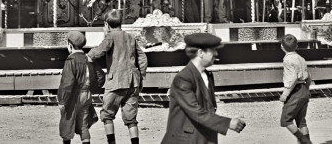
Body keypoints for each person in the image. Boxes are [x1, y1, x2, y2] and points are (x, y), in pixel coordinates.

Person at [161, 32, 245, 143]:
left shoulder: (208, 75)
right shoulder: (183, 78)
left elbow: (208, 109)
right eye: (213, 50)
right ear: (200, 53)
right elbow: (195, 111)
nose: (216, 54)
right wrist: (227, 123)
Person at [87, 9, 148, 144]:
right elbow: (142, 57)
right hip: (133, 82)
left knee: (107, 115)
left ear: (107, 24)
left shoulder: (110, 37)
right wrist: (141, 76)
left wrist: (87, 56)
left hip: (116, 82)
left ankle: (112, 142)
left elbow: (99, 51)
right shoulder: (130, 37)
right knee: (131, 119)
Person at [59, 31, 97, 144]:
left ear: (70, 45)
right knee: (83, 125)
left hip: (73, 97)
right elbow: (100, 76)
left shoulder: (70, 60)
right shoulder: (88, 59)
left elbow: (67, 83)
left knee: (67, 124)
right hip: (87, 95)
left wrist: (62, 100)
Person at [279, 34, 313, 144]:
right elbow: (309, 76)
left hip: (295, 91)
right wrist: (307, 90)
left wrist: (285, 94)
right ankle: (306, 140)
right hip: (304, 90)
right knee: (301, 121)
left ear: (282, 47)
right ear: (296, 46)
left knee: (286, 120)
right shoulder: (301, 59)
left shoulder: (287, 60)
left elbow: (292, 78)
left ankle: (304, 141)